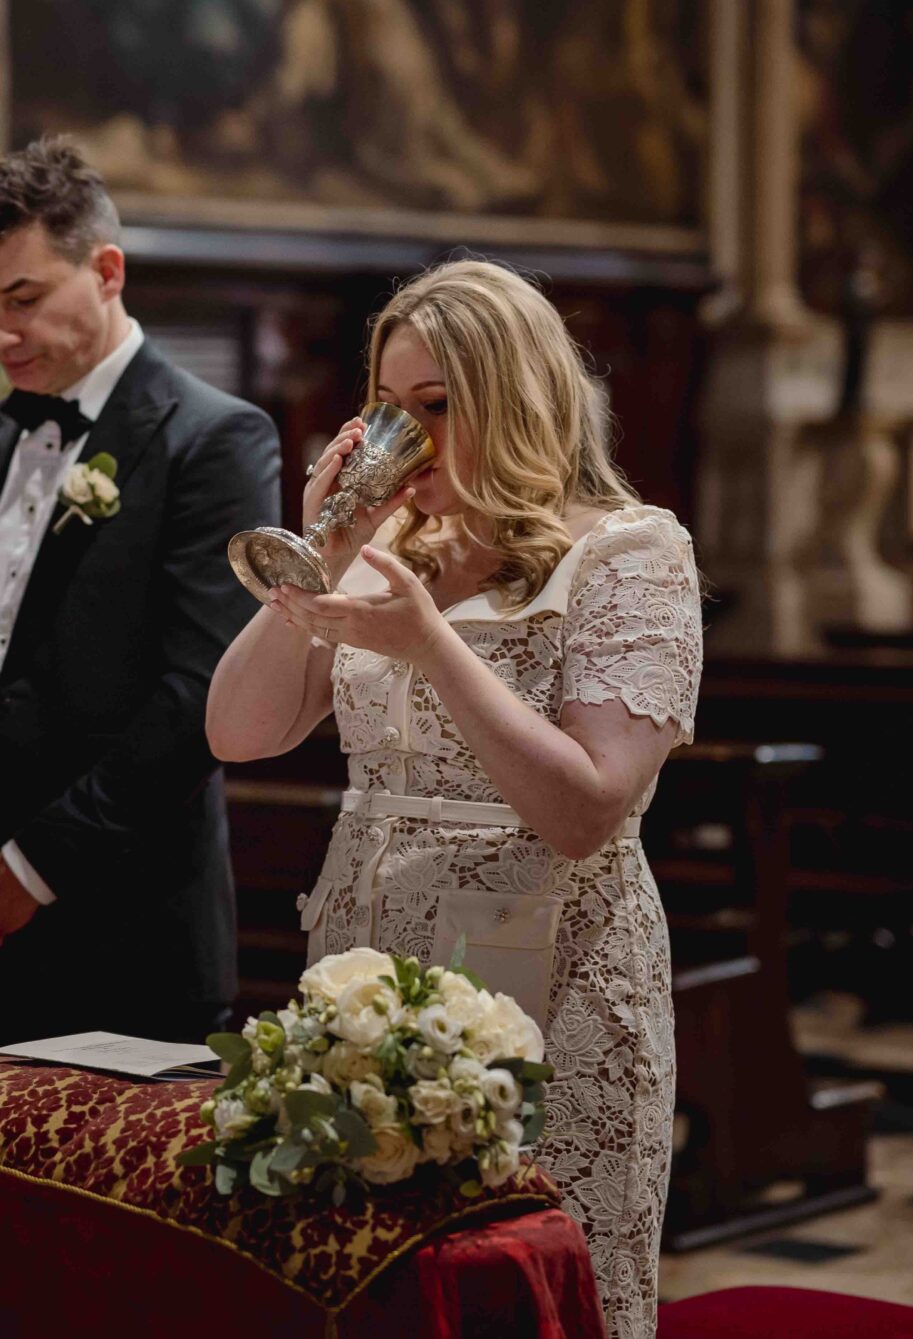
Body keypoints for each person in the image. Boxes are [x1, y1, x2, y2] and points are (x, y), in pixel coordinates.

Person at [206, 258, 701, 1332]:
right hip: (366, 972)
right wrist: (324, 548)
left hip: (553, 974)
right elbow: (236, 731)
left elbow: (584, 811)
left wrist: (435, 647)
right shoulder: (386, 553)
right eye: (388, 408)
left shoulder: (630, 554)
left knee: (534, 1294)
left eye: (437, 407)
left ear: (515, 401)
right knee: (376, 1293)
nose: (408, 438)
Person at [0, 138, 280, 1054]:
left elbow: (197, 696)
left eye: (23, 299)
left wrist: (30, 868)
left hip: (123, 938)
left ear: (107, 271)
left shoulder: (216, 440)